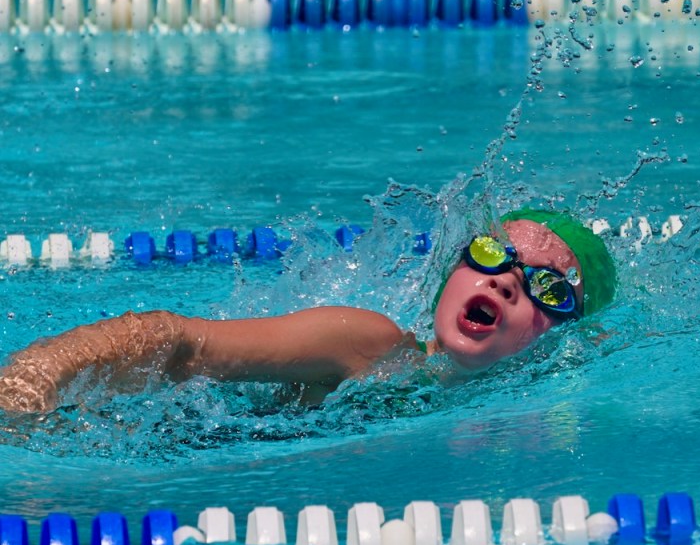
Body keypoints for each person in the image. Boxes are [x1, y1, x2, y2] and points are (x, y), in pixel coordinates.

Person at [0, 209, 616, 414]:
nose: (506, 281)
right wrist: (25, 385)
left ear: (568, 336)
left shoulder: (525, 419)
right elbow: (176, 341)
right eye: (490, 253)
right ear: (452, 273)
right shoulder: (371, 345)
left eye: (548, 288)